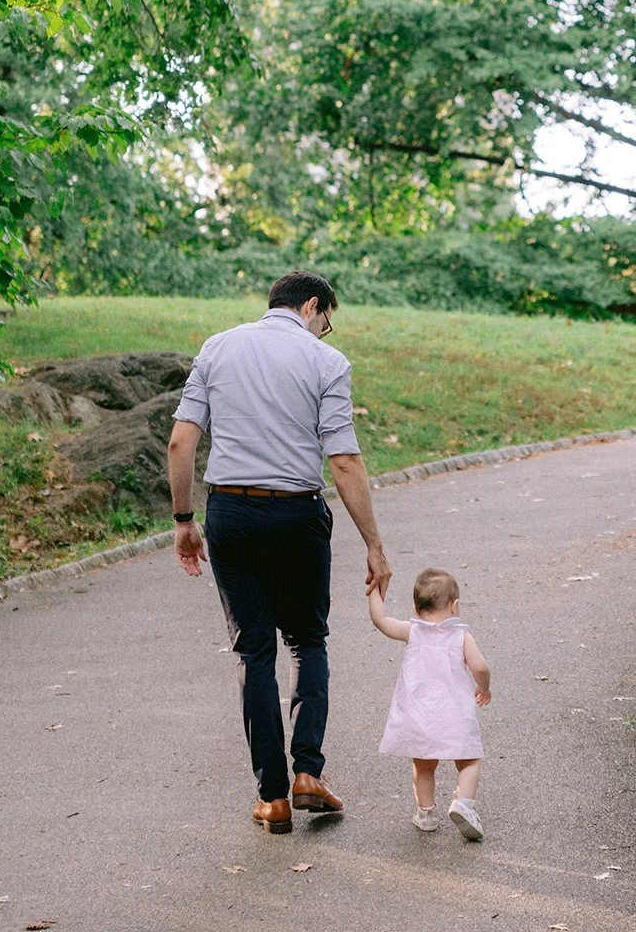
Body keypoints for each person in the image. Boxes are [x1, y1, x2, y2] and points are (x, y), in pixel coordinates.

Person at [167, 270, 392, 835]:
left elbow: (180, 441)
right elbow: (342, 459)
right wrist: (374, 545)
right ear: (312, 306)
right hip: (296, 516)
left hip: (233, 517)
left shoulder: (218, 348)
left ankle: (271, 798)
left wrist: (184, 521)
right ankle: (308, 772)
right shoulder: (326, 362)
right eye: (326, 321)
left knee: (253, 654)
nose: (324, 331)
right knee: (308, 641)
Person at [368, 565, 491, 841]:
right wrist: (484, 687)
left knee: (423, 765)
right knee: (469, 761)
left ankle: (425, 814)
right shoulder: (461, 636)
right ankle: (464, 804)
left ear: (415, 606)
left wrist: (375, 589)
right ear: (455, 606)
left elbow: (381, 620)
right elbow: (480, 666)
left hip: (420, 716)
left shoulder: (412, 631)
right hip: (455, 714)